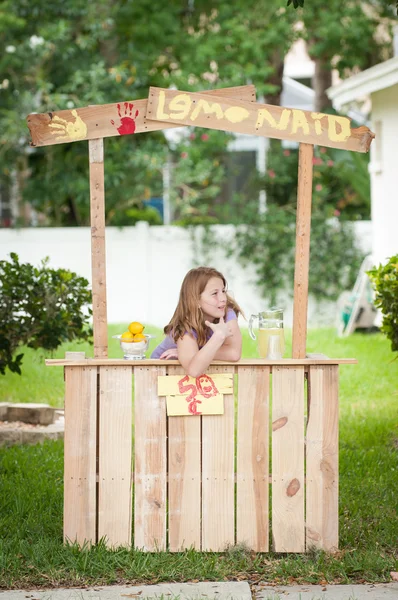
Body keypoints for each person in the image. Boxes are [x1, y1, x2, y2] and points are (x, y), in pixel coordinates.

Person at [151, 266, 243, 377]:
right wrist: (218, 337)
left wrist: (197, 354)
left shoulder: (226, 313)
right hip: (159, 375)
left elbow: (234, 353)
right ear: (196, 300)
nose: (223, 298)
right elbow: (194, 371)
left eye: (223, 291)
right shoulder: (184, 326)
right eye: (214, 293)